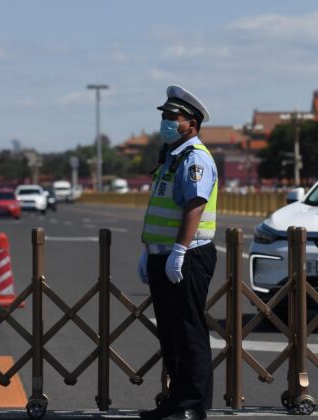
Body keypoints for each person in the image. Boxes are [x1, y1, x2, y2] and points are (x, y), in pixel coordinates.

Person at [138, 85, 218, 420]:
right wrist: (150, 251)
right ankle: (175, 399)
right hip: (162, 255)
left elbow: (194, 207)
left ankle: (193, 404)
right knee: (170, 332)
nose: (167, 122)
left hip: (187, 255)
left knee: (188, 330)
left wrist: (179, 252)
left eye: (174, 117)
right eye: (165, 116)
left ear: (192, 123)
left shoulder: (195, 158)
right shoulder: (172, 157)